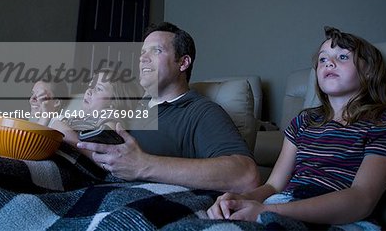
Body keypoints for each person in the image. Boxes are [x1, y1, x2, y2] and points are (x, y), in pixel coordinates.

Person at [207, 26, 386, 229]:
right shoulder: (304, 121)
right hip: (283, 202)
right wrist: (240, 199)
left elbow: (362, 199)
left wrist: (267, 212)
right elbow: (273, 186)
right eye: (323, 59)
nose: (329, 63)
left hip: (338, 217)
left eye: (342, 57)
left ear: (368, 70)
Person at [77, 22, 261, 193]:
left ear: (183, 62)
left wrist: (144, 165)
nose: (143, 59)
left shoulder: (200, 111)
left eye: (156, 50)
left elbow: (246, 175)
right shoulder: (133, 106)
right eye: (142, 53)